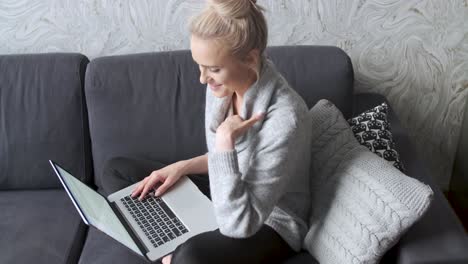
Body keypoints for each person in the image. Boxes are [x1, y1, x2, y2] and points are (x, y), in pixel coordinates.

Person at [104, 0, 311, 263]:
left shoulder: (286, 118)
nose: (203, 79)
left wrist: (224, 142)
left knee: (192, 256)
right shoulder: (221, 88)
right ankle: (167, 252)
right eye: (199, 65)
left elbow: (240, 223)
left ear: (250, 58)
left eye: (213, 69)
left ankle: (173, 254)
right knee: (118, 170)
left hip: (265, 221)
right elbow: (225, 161)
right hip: (224, 190)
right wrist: (183, 166)